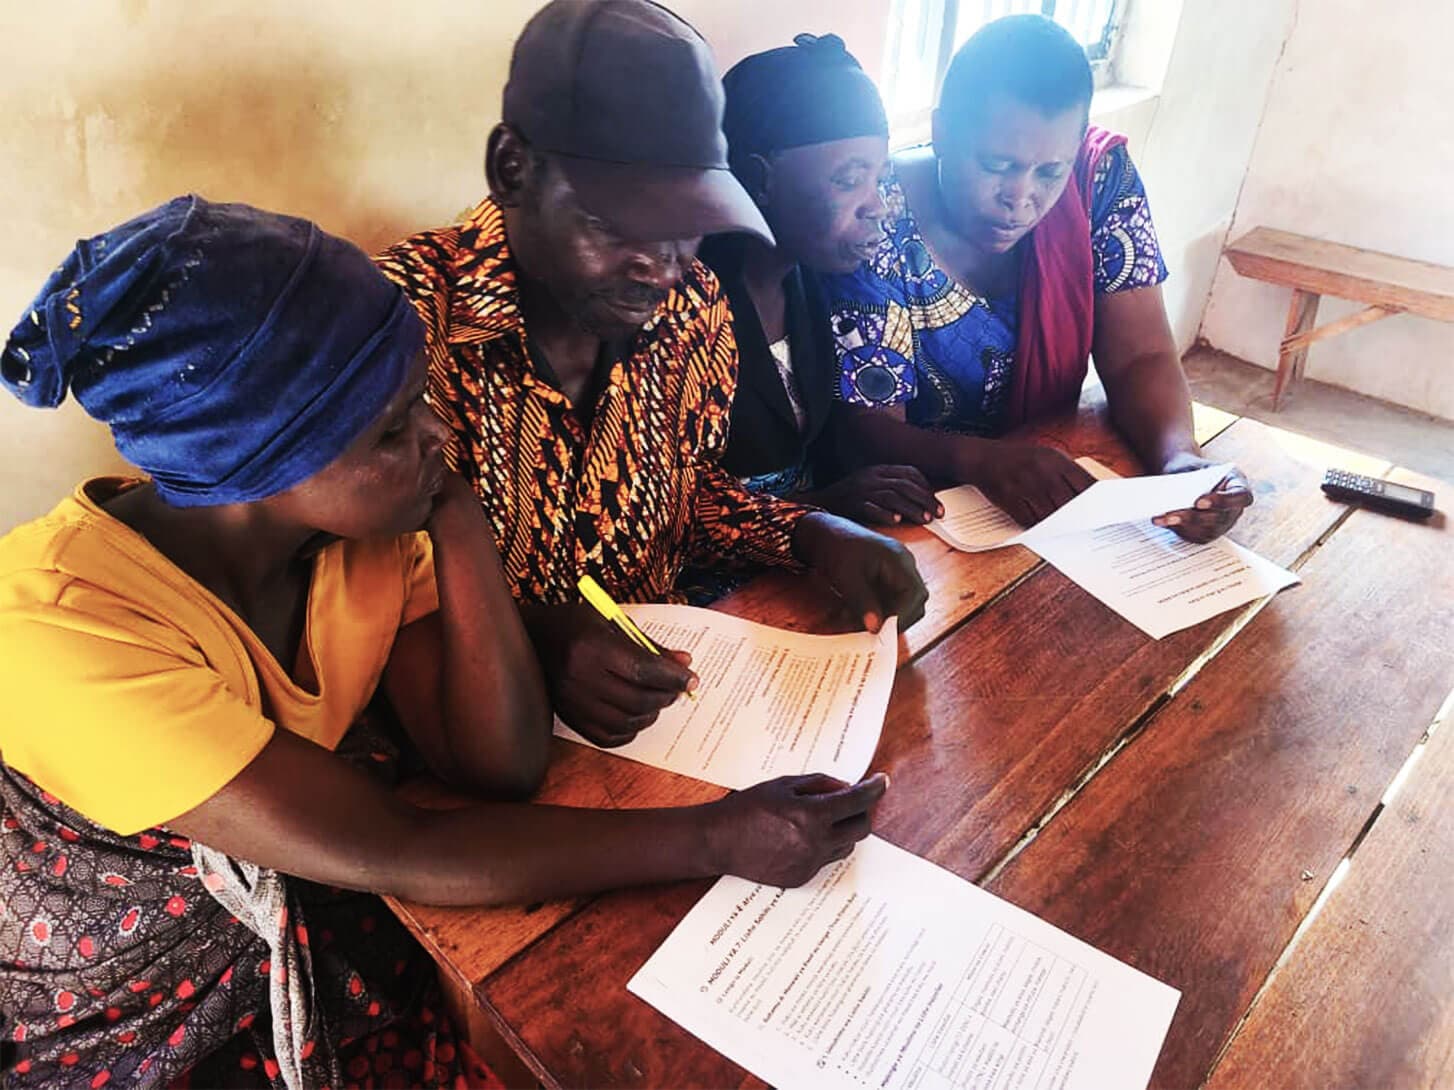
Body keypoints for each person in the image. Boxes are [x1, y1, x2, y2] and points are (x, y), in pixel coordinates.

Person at [0, 196, 887, 1089]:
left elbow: (498, 764)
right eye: (394, 429)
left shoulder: (360, 536)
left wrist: (457, 516)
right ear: (254, 465)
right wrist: (716, 838)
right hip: (129, 999)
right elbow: (404, 848)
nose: (437, 433)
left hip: (327, 897)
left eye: (420, 398)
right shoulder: (59, 626)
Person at [376, 0, 927, 750]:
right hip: (472, 758)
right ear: (513, 168)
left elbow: (684, 495)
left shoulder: (692, 305)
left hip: (674, 717)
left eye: (687, 219)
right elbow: (369, 600)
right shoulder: (397, 330)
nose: (659, 263)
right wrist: (539, 635)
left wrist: (812, 532)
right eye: (617, 220)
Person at [828, 15, 1252, 541]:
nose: (1020, 196)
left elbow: (1140, 356)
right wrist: (981, 461)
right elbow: (864, 426)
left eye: (1050, 172)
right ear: (941, 132)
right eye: (996, 165)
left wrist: (1181, 461)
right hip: (915, 517)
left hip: (1049, 498)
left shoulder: (1097, 181)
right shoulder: (879, 212)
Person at [702, 33, 941, 529]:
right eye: (849, 180)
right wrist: (824, 505)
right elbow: (673, 512)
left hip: (813, 561)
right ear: (759, 178)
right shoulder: (687, 307)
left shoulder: (815, 282)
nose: (876, 206)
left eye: (879, 178)